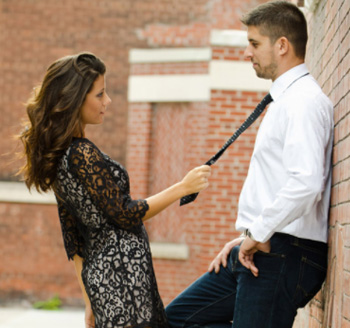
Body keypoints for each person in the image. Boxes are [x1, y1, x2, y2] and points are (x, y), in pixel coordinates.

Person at [165, 1, 333, 327]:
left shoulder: (303, 102)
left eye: (254, 43)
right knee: (174, 320)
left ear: (282, 45)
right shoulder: (286, 100)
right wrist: (247, 235)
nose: (247, 52)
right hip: (264, 246)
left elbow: (307, 181)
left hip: (283, 254)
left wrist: (258, 230)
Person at [18, 52, 211, 328]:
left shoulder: (62, 155)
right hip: (123, 283)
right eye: (100, 95)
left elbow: (73, 237)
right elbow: (125, 214)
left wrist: (89, 301)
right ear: (75, 98)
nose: (107, 101)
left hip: (108, 285)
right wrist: (183, 187)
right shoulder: (82, 153)